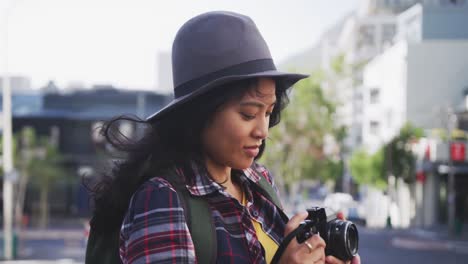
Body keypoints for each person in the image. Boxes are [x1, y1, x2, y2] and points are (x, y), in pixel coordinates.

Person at [88, 11, 361, 264]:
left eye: (268, 112)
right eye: (247, 114)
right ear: (199, 113)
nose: (263, 131)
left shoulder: (259, 182)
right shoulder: (163, 198)